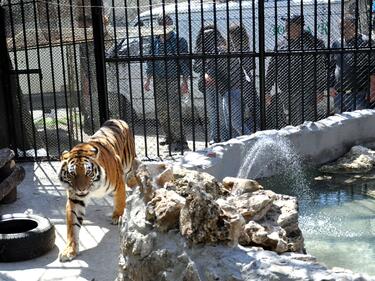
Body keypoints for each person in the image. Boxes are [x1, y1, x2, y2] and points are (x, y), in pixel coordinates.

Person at [265, 15, 327, 128]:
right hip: (286, 92)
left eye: (289, 25)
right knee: (291, 124)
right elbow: (272, 69)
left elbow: (320, 68)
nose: (286, 28)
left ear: (299, 27)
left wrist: (320, 89)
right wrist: (266, 90)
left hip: (306, 92)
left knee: (306, 124)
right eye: (286, 25)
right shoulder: (281, 44)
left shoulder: (312, 43)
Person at [143, 14, 190, 151]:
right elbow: (150, 61)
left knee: (174, 110)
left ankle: (181, 140)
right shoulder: (155, 41)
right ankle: (169, 136)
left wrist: (185, 81)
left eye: (167, 22)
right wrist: (148, 80)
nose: (165, 25)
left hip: (173, 80)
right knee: (162, 110)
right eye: (162, 23)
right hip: (158, 80)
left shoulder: (179, 41)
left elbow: (184, 62)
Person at [329, 16, 375, 112]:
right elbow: (331, 66)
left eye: (345, 27)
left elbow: (373, 68)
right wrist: (331, 86)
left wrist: (372, 88)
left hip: (359, 94)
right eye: (340, 28)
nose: (342, 30)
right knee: (341, 124)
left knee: (360, 124)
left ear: (354, 26)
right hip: (339, 94)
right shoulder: (337, 43)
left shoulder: (366, 42)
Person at [193, 24, 229, 144]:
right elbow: (196, 67)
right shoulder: (200, 49)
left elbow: (224, 65)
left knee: (222, 110)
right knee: (213, 111)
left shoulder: (221, 48)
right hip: (208, 86)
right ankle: (215, 137)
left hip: (220, 84)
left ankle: (224, 137)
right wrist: (205, 67)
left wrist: (212, 71)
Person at [225, 23, 258, 136]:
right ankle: (249, 135)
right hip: (247, 84)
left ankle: (248, 137)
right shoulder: (246, 48)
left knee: (237, 117)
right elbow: (251, 66)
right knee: (250, 112)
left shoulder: (232, 50)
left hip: (236, 85)